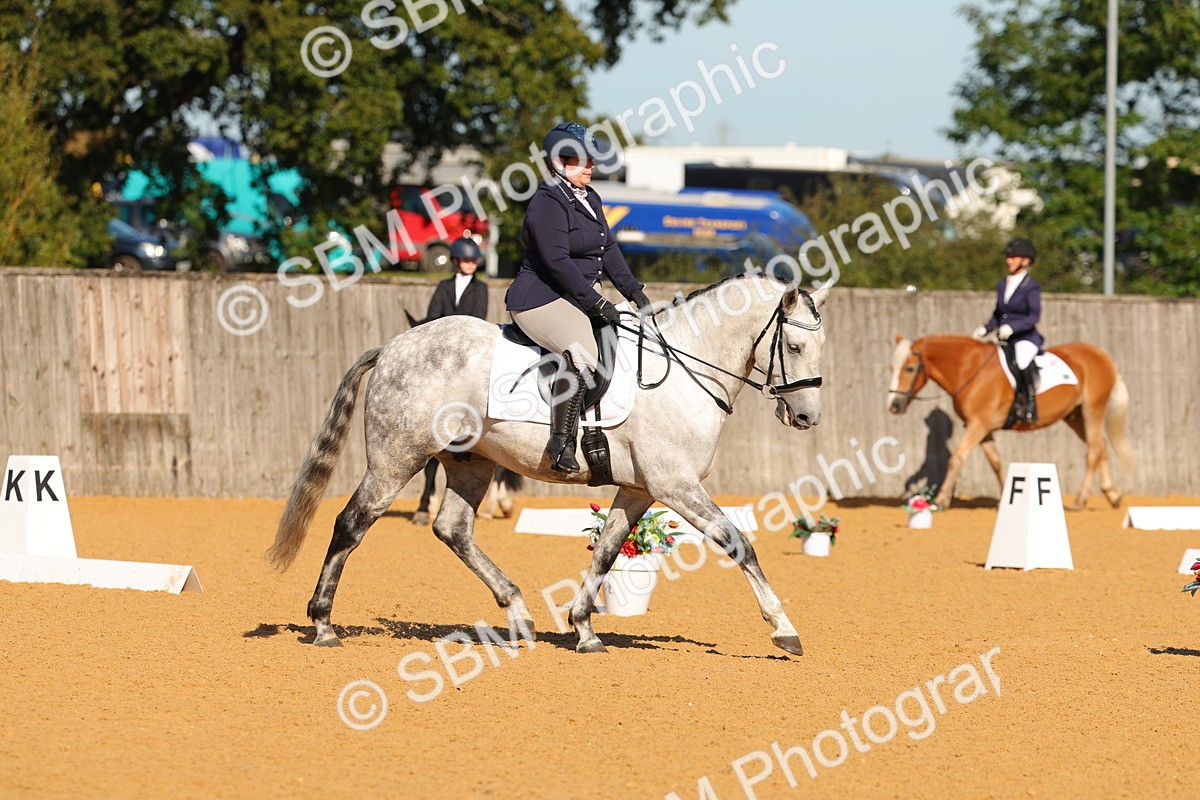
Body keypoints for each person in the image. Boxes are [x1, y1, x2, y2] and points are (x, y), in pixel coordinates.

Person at [505, 121, 652, 473]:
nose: (592, 166)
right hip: (540, 298)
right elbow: (558, 263)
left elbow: (609, 248)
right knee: (583, 353)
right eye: (583, 160)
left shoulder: (590, 198)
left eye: (591, 159)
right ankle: (560, 444)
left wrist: (632, 289)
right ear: (559, 162)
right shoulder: (547, 202)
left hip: (577, 295)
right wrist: (596, 302)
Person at [413, 237, 488, 525]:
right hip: (443, 356)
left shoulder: (480, 289)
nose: (471, 264)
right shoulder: (444, 287)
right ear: (455, 261)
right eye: (466, 260)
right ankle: (425, 500)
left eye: (474, 260)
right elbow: (433, 318)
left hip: (468, 357)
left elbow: (477, 320)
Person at [972, 237, 1044, 423]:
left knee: (1021, 360)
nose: (1008, 260)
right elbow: (998, 313)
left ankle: (1030, 404)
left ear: (1025, 261)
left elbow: (1033, 316)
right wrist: (985, 328)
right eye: (1008, 257)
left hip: (1025, 337)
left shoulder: (1032, 287)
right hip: (1004, 338)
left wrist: (1012, 327)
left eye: (1013, 257)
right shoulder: (1003, 284)